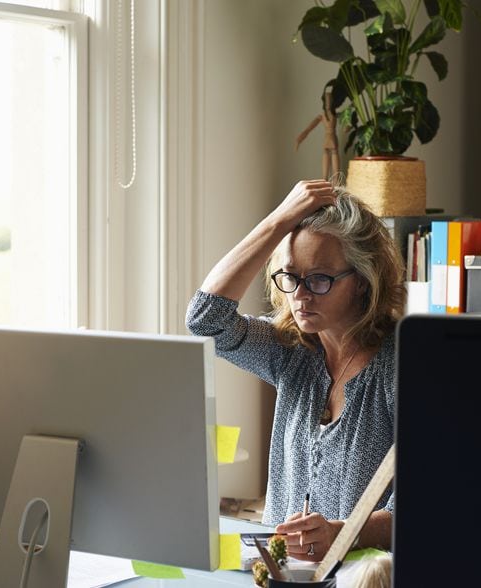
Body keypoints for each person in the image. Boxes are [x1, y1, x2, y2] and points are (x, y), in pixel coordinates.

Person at [185, 179, 405, 561]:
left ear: (363, 280)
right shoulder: (292, 352)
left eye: (319, 279)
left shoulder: (399, 367)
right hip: (278, 572)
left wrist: (342, 534)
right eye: (289, 276)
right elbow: (205, 319)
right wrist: (278, 221)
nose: (300, 295)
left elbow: (425, 508)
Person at [295, 91, 340, 181]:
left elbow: (347, 119)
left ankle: (336, 187)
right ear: (324, 103)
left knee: (336, 175)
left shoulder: (336, 115)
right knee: (324, 176)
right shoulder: (322, 116)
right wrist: (300, 138)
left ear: (332, 102)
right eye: (326, 101)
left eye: (329, 101)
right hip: (327, 140)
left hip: (333, 140)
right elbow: (309, 128)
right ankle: (325, 185)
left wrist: (349, 127)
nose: (328, 103)